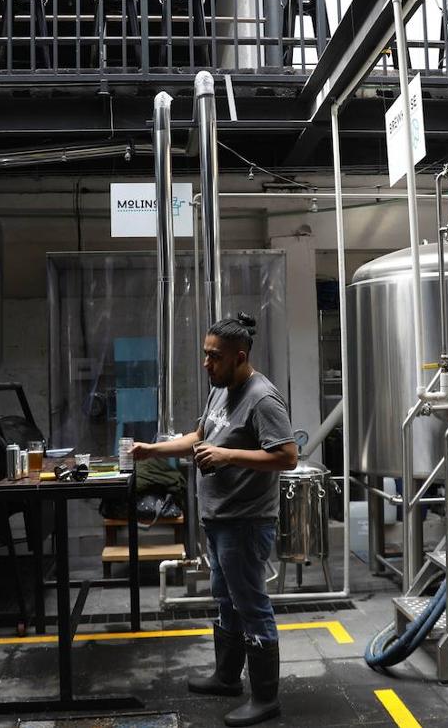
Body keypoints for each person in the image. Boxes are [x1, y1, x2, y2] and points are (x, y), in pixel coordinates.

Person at [132, 312, 297, 727]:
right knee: (226, 600)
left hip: (246, 521)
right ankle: (227, 678)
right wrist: (153, 451)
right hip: (220, 520)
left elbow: (287, 456)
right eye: (205, 355)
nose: (207, 364)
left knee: (251, 605)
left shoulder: (262, 398)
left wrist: (227, 455)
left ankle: (265, 699)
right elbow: (200, 437)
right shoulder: (220, 390)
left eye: (215, 357)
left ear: (240, 357)